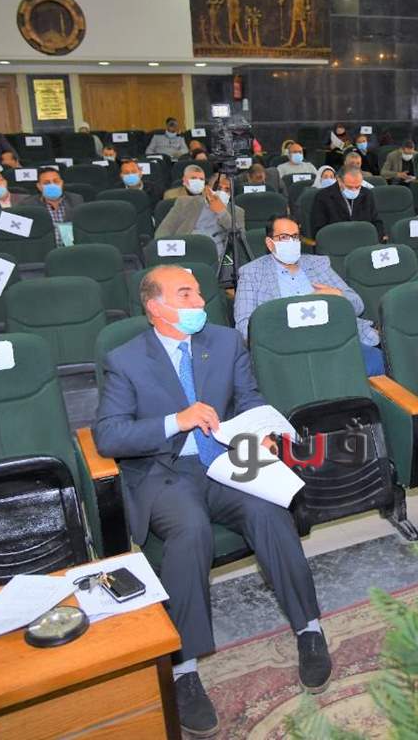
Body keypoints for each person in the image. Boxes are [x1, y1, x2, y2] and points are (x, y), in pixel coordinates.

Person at [94, 265, 330, 736]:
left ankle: (309, 628)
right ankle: (183, 668)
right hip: (166, 471)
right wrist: (175, 421)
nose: (200, 302)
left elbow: (248, 399)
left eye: (199, 293)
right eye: (186, 295)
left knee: (269, 510)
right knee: (190, 529)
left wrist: (260, 433)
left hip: (227, 458)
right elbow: (109, 435)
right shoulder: (125, 359)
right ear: (156, 307)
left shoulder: (224, 342)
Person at [233, 213, 385, 376]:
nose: (291, 242)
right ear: (270, 243)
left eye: (295, 237)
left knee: (376, 362)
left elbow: (358, 305)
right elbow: (244, 326)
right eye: (284, 237)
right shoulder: (252, 273)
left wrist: (339, 296)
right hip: (288, 348)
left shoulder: (318, 264)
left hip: (336, 338)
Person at [155, 172, 242, 261]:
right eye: (218, 188)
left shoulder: (236, 211)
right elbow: (164, 230)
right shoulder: (184, 203)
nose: (222, 192)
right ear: (207, 189)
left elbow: (241, 241)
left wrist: (221, 212)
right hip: (184, 253)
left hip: (216, 259)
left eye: (227, 190)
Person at [312, 167, 382, 238]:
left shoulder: (367, 194)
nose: (354, 190)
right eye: (349, 187)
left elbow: (376, 222)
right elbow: (319, 229)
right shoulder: (323, 196)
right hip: (336, 239)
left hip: (364, 238)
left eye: (357, 187)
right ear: (339, 181)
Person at [36, 167, 82, 246]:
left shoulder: (76, 201)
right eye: (47, 183)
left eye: (56, 181)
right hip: (44, 249)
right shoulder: (29, 205)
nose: (52, 185)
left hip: (72, 248)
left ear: (62, 183)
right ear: (39, 186)